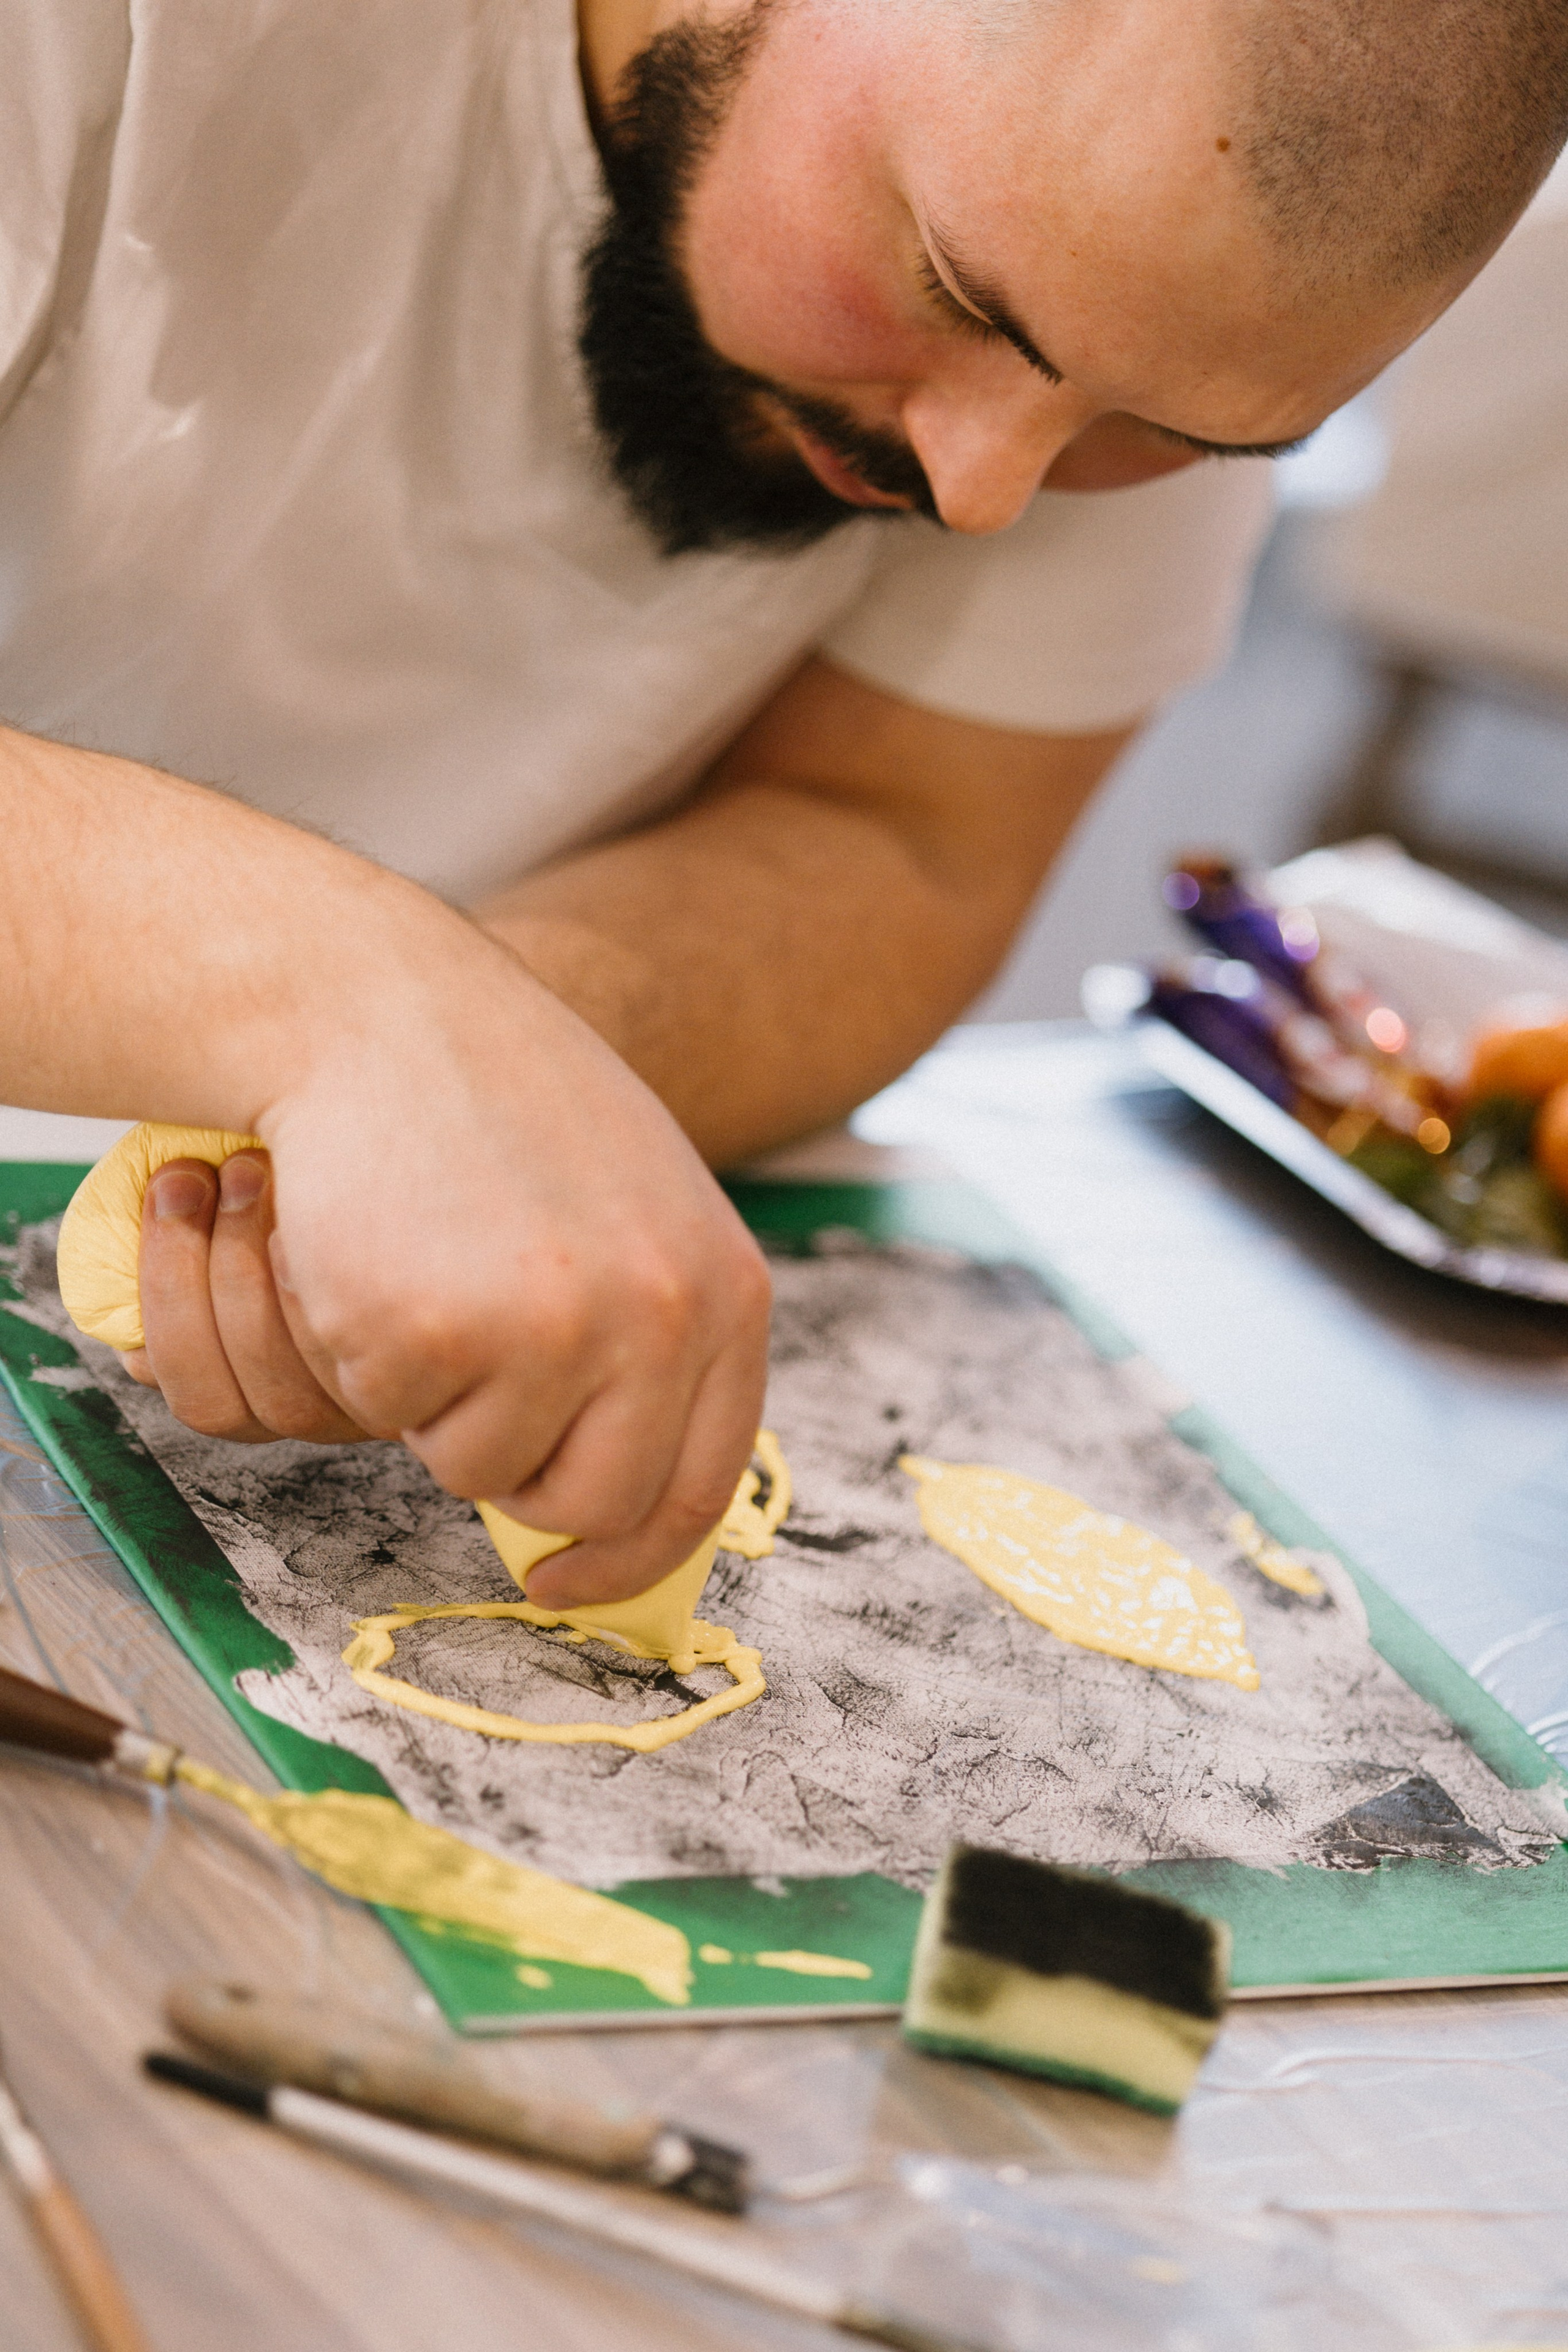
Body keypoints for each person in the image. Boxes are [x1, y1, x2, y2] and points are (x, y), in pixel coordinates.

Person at [1, 0, 1562, 1607]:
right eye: (957, 290)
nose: (985, 488)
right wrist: (360, 1008)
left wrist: (480, 1093)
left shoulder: (1124, 272)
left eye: (1171, 436)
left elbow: (902, 838)